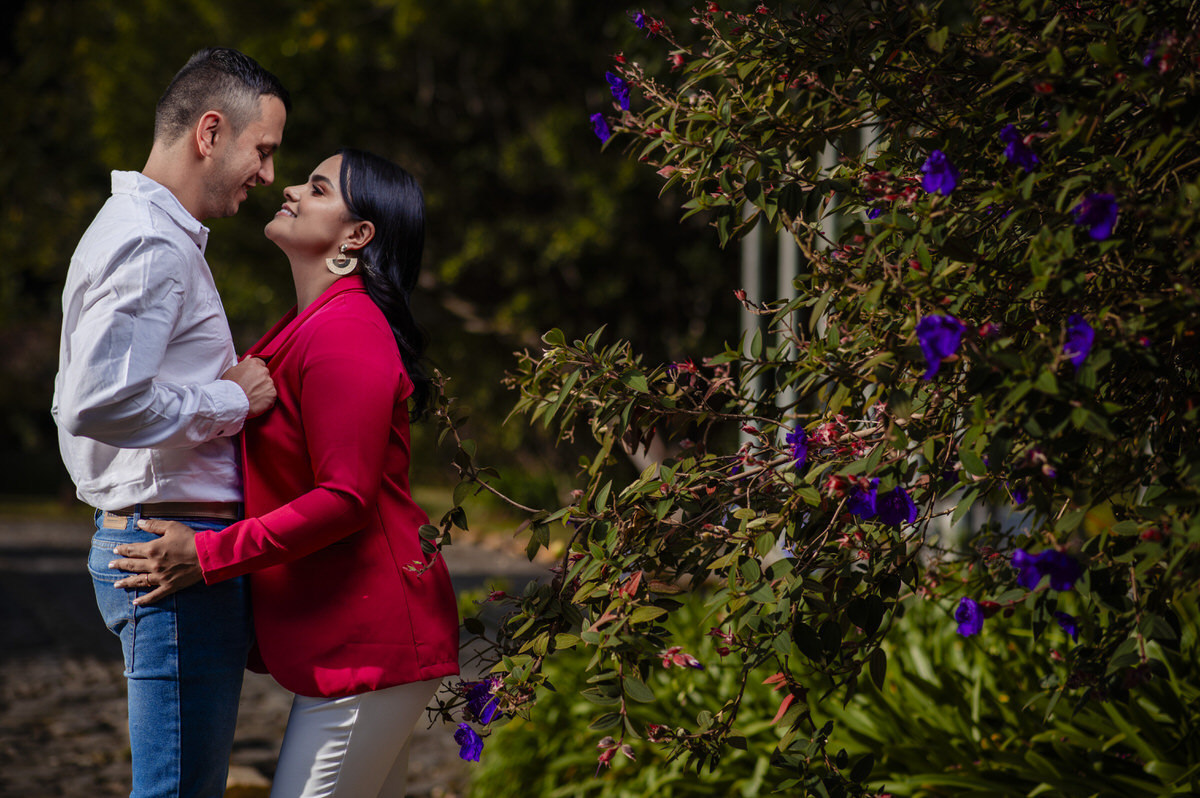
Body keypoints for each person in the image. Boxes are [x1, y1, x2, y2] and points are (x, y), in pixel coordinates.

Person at [110, 149, 462, 798]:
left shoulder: (348, 328)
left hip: (371, 640)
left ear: (357, 236)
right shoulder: (309, 326)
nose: (291, 187)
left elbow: (345, 497)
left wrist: (209, 553)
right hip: (351, 639)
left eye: (318, 187)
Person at [51, 47, 288, 798]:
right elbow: (95, 401)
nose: (269, 176)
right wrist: (231, 402)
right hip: (172, 553)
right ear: (211, 132)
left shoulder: (149, 231)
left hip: (173, 544)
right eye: (264, 150)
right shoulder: (151, 242)